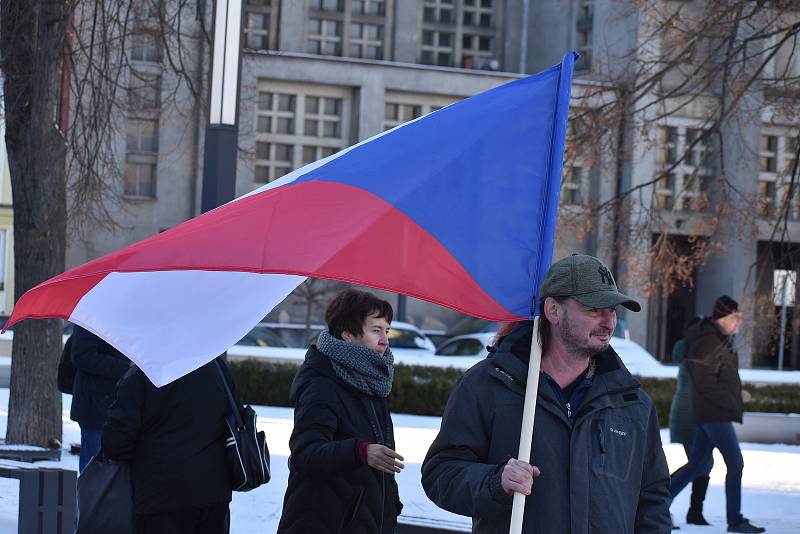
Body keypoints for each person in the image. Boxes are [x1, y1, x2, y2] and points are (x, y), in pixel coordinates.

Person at [421, 254, 672, 533]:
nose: (608, 321)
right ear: (553, 310)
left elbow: (653, 499)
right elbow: (440, 473)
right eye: (594, 309)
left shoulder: (631, 402)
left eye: (612, 310)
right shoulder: (489, 385)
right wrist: (495, 481)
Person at [277, 289, 404, 533]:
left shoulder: (372, 379)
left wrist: (390, 508)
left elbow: (380, 460)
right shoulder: (321, 382)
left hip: (366, 521)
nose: (385, 341)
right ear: (347, 335)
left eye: (386, 331)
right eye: (376, 330)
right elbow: (305, 454)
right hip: (324, 523)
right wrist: (360, 452)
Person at [101, 359, 233, 534]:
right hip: (213, 491)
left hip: (160, 494)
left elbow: (116, 443)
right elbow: (233, 418)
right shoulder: (217, 367)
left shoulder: (142, 374)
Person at [669, 296, 765, 533]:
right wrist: (732, 400)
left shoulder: (717, 339)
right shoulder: (709, 341)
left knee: (698, 464)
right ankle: (735, 520)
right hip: (714, 413)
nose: (739, 322)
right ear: (724, 317)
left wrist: (736, 394)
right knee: (735, 462)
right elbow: (705, 382)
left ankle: (656, 502)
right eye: (736, 317)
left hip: (710, 412)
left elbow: (717, 378)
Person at [668, 316, 713, 527]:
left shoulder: (694, 350)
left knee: (703, 464)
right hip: (689, 417)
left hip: (699, 416)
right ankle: (659, 501)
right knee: (701, 463)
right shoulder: (691, 351)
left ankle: (695, 512)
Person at [69, 325, 130, 472]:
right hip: (96, 406)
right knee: (94, 469)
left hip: (122, 407)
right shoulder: (91, 315)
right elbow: (81, 355)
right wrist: (126, 367)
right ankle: (89, 495)